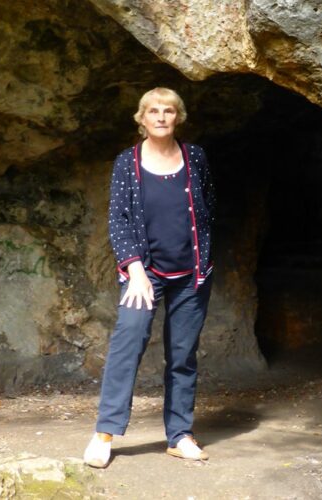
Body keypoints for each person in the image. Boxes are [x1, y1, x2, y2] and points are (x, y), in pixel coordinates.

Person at [83, 87, 215, 467]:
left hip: (192, 273)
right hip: (144, 273)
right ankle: (105, 433)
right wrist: (135, 270)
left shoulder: (196, 158)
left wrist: (204, 260)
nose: (161, 117)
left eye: (169, 111)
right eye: (153, 111)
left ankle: (179, 435)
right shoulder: (127, 162)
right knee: (129, 340)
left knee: (182, 354)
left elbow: (207, 209)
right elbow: (118, 220)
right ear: (141, 119)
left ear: (178, 117)